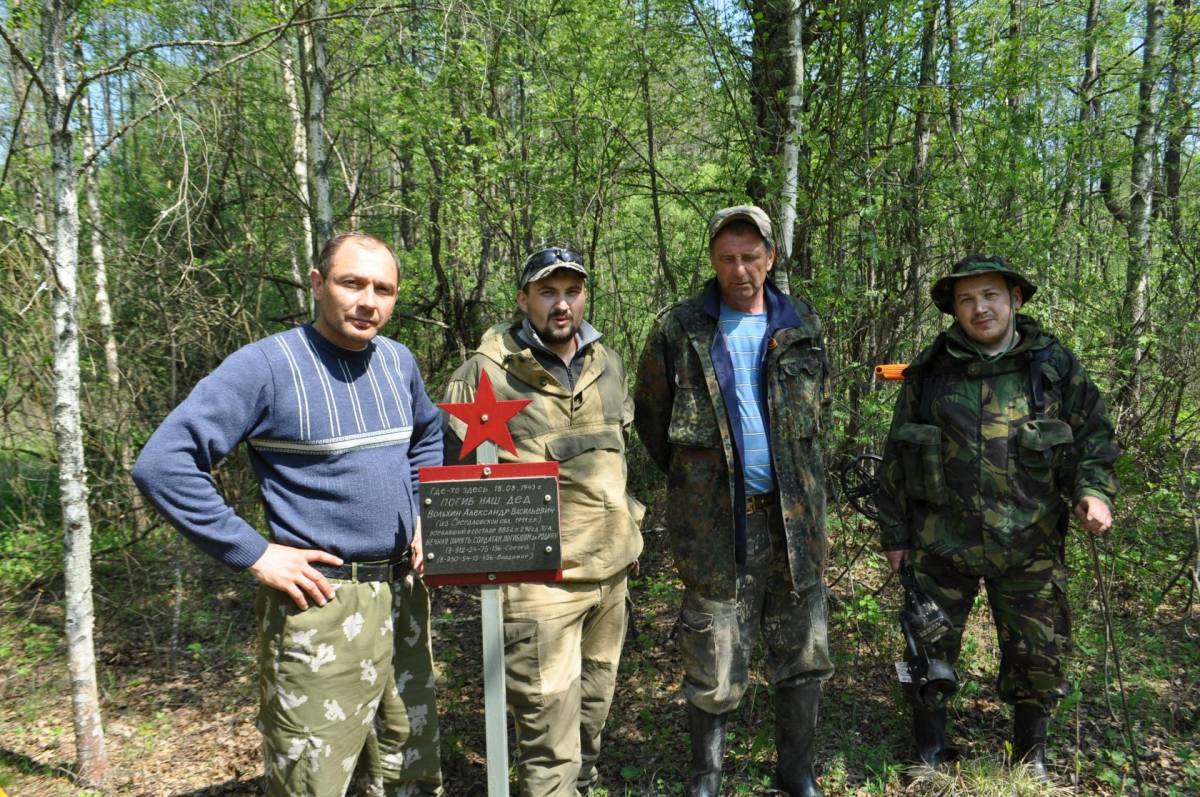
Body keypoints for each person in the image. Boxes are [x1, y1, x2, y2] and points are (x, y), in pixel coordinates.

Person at [133, 232, 444, 796]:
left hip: (404, 595)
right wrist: (254, 552)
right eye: (352, 283)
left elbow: (427, 435)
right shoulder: (266, 367)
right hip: (319, 605)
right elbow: (163, 464)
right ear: (318, 284)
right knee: (312, 780)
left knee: (408, 768)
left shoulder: (399, 362)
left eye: (384, 289)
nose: (368, 301)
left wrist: (424, 508)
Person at [875, 254, 1120, 779]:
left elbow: (1093, 440)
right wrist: (894, 534)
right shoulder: (932, 371)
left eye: (989, 295)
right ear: (954, 310)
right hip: (941, 542)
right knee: (928, 648)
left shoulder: (1052, 366)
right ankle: (930, 755)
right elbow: (897, 454)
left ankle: (1030, 760)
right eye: (966, 299)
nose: (979, 308)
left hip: (1029, 542)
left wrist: (1093, 492)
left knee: (1039, 654)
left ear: (1015, 299)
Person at [633, 206, 833, 797]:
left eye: (751, 257)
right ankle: (707, 776)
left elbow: (819, 418)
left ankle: (796, 771)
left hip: (795, 520)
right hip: (715, 525)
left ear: (770, 258)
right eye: (727, 258)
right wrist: (701, 486)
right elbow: (652, 420)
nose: (740, 269)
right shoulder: (680, 329)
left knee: (804, 651)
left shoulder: (802, 325)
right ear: (713, 261)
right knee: (714, 650)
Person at [441, 247, 644, 797]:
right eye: (548, 292)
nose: (562, 305)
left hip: (611, 571)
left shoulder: (610, 364)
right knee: (549, 741)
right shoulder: (483, 377)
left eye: (572, 291)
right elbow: (453, 486)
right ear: (523, 299)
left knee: (593, 714)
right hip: (540, 585)